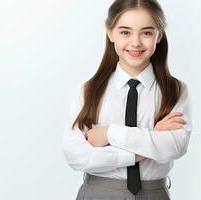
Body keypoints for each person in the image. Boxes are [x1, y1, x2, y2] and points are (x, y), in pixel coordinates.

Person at [61, 0, 193, 199]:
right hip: (98, 193)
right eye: (125, 32)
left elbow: (173, 146)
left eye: (146, 33)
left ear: (159, 35)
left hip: (153, 194)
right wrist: (144, 146)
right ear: (110, 33)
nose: (136, 42)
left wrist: (108, 133)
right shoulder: (89, 90)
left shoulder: (174, 90)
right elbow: (75, 155)